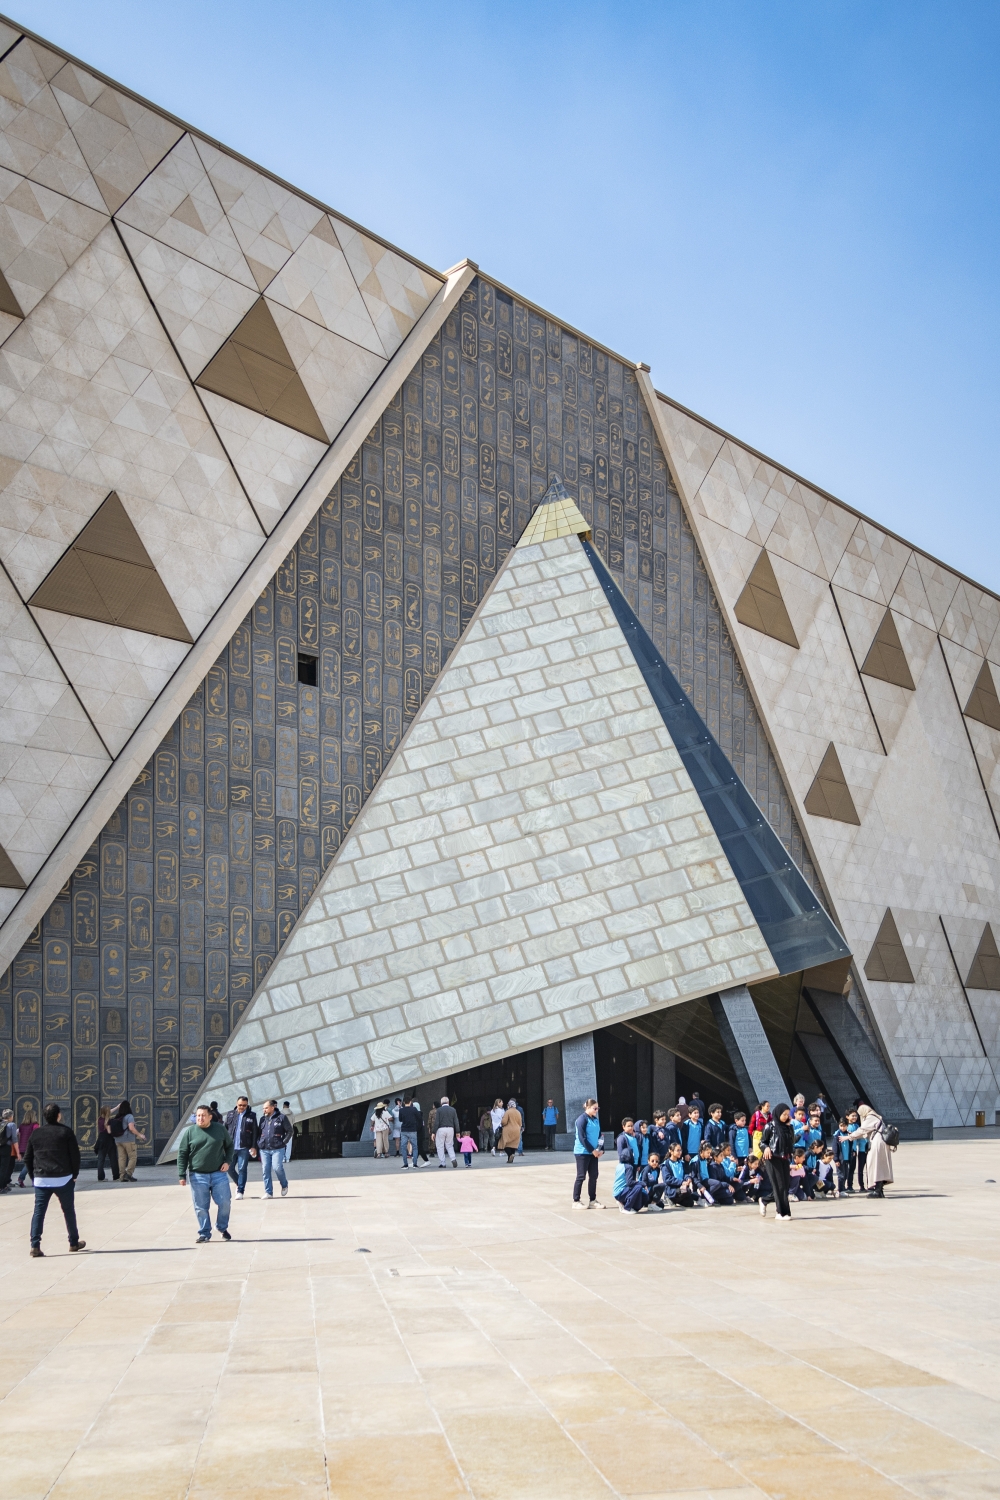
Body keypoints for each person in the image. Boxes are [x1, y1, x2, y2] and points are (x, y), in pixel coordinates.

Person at [25, 1105, 86, 1256]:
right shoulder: (66, 1132)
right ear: (58, 1115)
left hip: (41, 1179)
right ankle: (73, 1242)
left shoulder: (36, 1133)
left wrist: (34, 1177)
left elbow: (27, 1157)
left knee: (39, 1212)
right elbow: (75, 1156)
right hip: (63, 1178)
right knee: (68, 1211)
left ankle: (35, 1245)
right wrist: (75, 1175)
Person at [177, 1103, 234, 1243]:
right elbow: (182, 1153)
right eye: (198, 1116)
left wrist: (227, 1161)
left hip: (218, 1174)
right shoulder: (190, 1132)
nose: (200, 1118)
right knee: (201, 1206)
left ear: (210, 1117)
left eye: (203, 1115)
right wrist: (181, 1174)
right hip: (197, 1175)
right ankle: (204, 1233)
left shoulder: (220, 1129)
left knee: (225, 1202)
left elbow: (230, 1146)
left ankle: (221, 1227)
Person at [846, 1104, 894, 1198]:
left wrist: (849, 1137)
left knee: (874, 1165)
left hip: (877, 1143)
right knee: (879, 1166)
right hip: (882, 1143)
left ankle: (877, 1190)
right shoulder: (876, 1117)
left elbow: (862, 1130)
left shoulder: (870, 1117)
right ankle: (879, 1189)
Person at [760, 1103, 795, 1220]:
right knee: (779, 1185)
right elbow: (762, 1142)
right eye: (784, 1114)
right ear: (778, 1113)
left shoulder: (788, 1127)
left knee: (785, 1185)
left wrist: (790, 1128)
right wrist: (766, 1148)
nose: (786, 1116)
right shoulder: (770, 1126)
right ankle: (781, 1213)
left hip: (785, 1158)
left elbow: (792, 1141)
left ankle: (764, 1200)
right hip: (773, 1158)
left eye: (787, 1114)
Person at [572, 1098, 605, 1208]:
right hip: (582, 1152)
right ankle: (576, 1201)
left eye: (597, 1108)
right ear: (588, 1107)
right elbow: (582, 1138)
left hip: (594, 1153)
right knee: (581, 1176)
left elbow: (600, 1135)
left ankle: (592, 1200)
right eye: (594, 1108)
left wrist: (601, 1149)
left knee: (594, 1175)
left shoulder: (595, 1120)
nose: (596, 1110)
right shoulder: (582, 1119)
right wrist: (592, 1150)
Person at [224, 1096, 258, 1198]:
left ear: (247, 1105)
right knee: (229, 1168)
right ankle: (239, 1183)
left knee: (242, 1168)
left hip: (244, 1147)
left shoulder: (251, 1115)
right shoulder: (230, 1114)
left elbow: (255, 1132)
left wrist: (253, 1146)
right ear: (236, 1104)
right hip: (231, 1147)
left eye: (244, 1105)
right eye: (240, 1105)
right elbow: (224, 1130)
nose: (242, 1107)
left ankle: (240, 1191)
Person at [258, 1099, 291, 1197]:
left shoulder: (282, 1117)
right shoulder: (262, 1119)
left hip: (277, 1148)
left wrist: (283, 1142)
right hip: (264, 1149)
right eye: (263, 1108)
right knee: (265, 1170)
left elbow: (290, 1131)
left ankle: (284, 1184)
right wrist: (258, 1143)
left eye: (266, 1108)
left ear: (273, 1107)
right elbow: (259, 1132)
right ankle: (268, 1192)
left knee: (277, 1167)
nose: (264, 1110)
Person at [111, 1099, 145, 1181]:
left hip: (118, 1140)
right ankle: (128, 1174)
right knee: (133, 1157)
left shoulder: (117, 1117)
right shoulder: (129, 1116)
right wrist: (140, 1135)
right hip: (128, 1140)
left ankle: (122, 1176)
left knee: (121, 1158)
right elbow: (131, 1128)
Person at [434, 1095, 459, 1167]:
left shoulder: (439, 1110)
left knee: (440, 1146)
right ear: (448, 1102)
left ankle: (443, 1163)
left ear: (441, 1103)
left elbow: (437, 1122)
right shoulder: (453, 1110)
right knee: (450, 1145)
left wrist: (433, 1132)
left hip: (441, 1129)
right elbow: (456, 1121)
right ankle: (453, 1158)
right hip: (450, 1129)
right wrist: (457, 1131)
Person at [17, 1107, 39, 1187]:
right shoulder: (35, 1125)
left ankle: (33, 1181)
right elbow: (36, 1136)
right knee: (29, 1165)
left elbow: (19, 1136)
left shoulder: (21, 1126)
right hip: (31, 1147)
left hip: (22, 1147)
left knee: (30, 1165)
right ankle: (21, 1178)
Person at [398, 1096, 421, 1168]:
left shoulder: (401, 1110)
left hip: (404, 1130)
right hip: (413, 1130)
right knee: (415, 1147)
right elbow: (419, 1118)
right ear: (410, 1102)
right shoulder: (414, 1109)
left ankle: (405, 1164)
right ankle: (415, 1164)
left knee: (403, 1147)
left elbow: (400, 1119)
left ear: (404, 1102)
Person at [0, 1107, 19, 1192]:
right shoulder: (12, 1125)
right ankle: (2, 1187)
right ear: (10, 1116)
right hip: (6, 1148)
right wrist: (18, 1153)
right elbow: (14, 1140)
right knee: (4, 1168)